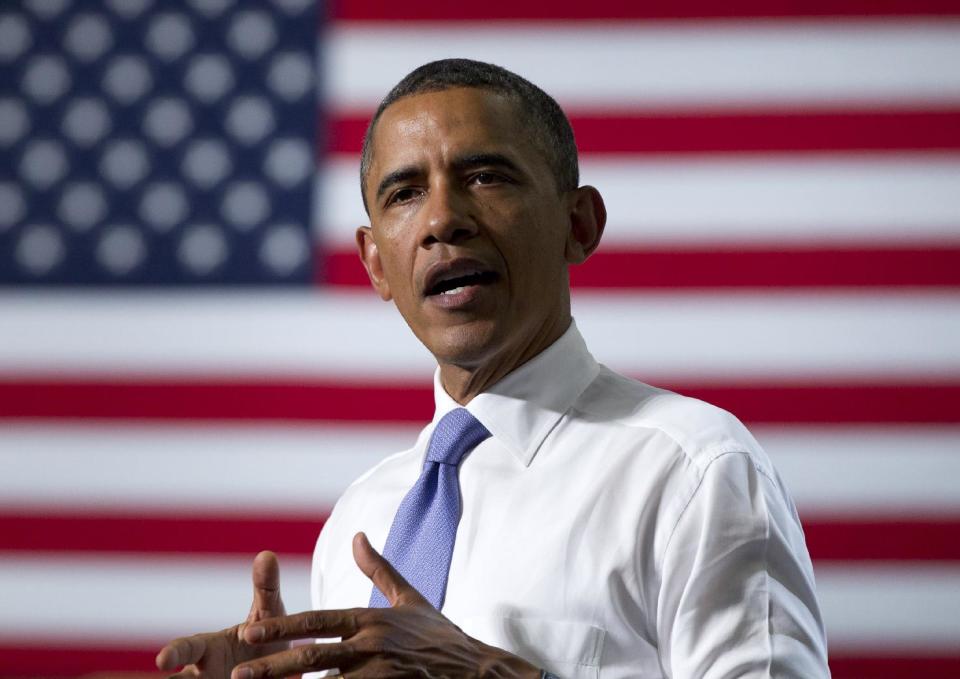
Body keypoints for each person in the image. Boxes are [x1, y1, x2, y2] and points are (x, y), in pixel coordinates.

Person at [157, 59, 830, 679]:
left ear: (580, 223)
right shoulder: (361, 516)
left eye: (485, 176)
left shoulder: (695, 470)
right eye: (404, 194)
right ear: (375, 264)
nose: (443, 219)